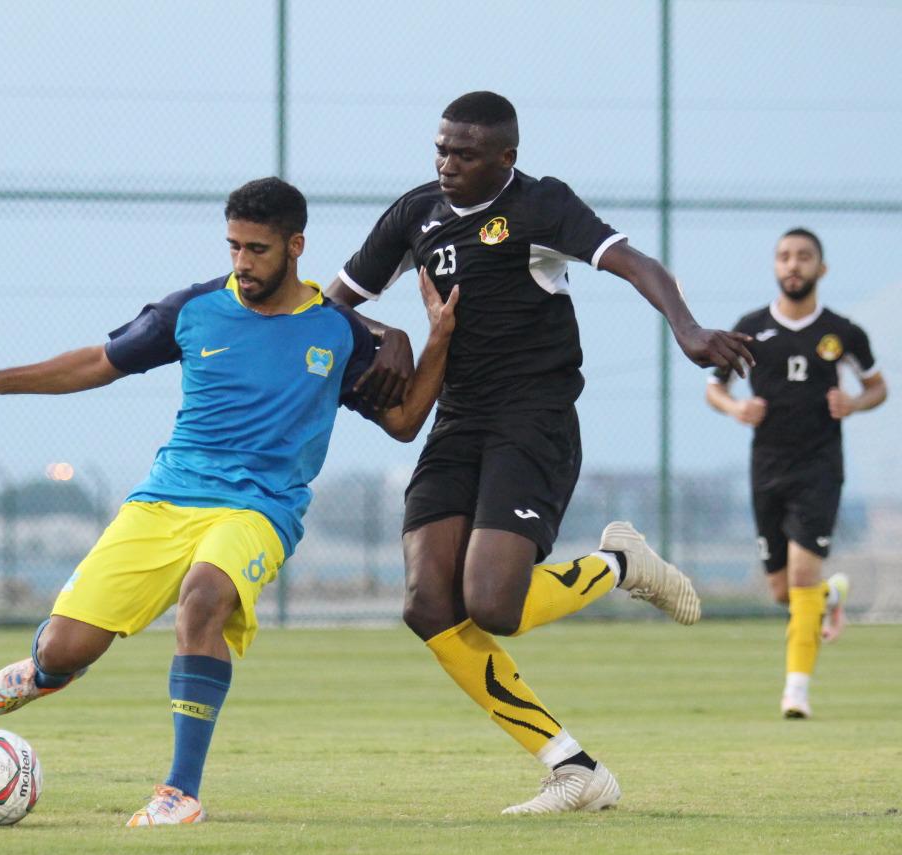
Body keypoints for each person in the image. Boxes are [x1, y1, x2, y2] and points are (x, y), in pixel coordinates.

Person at [0, 177, 457, 826]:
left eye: (257, 249)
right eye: (234, 247)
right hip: (165, 500)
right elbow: (99, 363)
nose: (241, 263)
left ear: (295, 246)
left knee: (204, 598)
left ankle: (179, 791)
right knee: (70, 649)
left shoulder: (339, 334)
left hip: (260, 510)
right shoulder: (193, 310)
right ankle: (46, 668)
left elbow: (406, 420)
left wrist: (436, 339)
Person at [325, 91, 755, 815]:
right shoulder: (414, 214)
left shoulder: (540, 207)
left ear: (505, 158)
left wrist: (687, 327)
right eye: (440, 148)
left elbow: (634, 262)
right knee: (428, 604)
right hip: (458, 421)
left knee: (493, 604)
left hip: (534, 418)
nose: (447, 164)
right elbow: (328, 304)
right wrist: (385, 334)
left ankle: (621, 564)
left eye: (464, 154)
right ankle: (572, 768)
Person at [706, 228, 886, 718]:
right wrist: (735, 408)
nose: (793, 265)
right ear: (775, 266)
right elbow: (714, 389)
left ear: (820, 269)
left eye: (804, 257)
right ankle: (831, 597)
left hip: (820, 468)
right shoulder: (750, 328)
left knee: (804, 573)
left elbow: (878, 388)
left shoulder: (844, 333)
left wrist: (854, 401)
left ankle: (796, 692)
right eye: (785, 256)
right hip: (766, 468)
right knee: (784, 590)